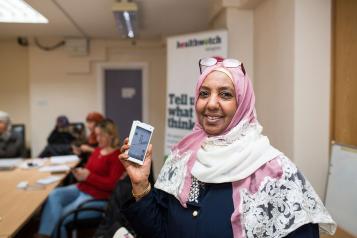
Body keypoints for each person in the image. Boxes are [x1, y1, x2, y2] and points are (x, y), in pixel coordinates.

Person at [119, 57, 336, 238]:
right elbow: (160, 232)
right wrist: (140, 184)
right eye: (204, 93)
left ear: (243, 103)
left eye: (225, 94)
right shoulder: (181, 159)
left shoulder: (276, 173)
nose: (211, 104)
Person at [36, 119, 125, 238]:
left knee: (60, 217)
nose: (98, 139)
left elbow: (112, 185)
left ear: (111, 135)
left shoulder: (116, 156)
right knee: (54, 194)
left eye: (101, 135)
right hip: (82, 188)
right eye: (96, 135)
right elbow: (88, 171)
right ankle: (44, 235)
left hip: (97, 197)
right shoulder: (97, 151)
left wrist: (88, 176)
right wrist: (81, 174)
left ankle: (48, 233)